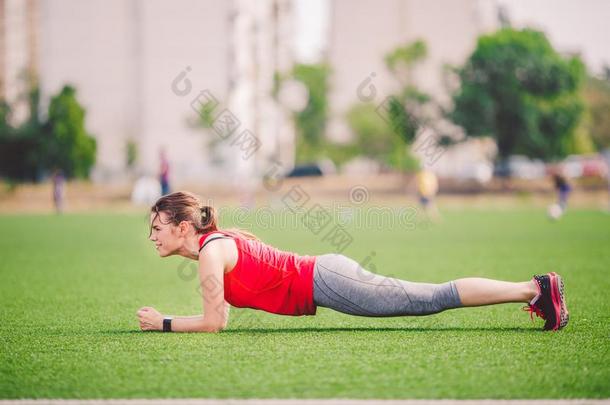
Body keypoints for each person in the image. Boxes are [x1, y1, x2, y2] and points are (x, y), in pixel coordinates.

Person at [137, 191, 569, 333]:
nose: (152, 236)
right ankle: (533, 290)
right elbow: (225, 308)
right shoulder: (214, 247)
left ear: (181, 226)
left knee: (429, 298)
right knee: (427, 299)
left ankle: (534, 289)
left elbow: (216, 322)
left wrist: (164, 323)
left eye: (158, 227)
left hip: (326, 280)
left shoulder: (212, 252)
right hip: (326, 277)